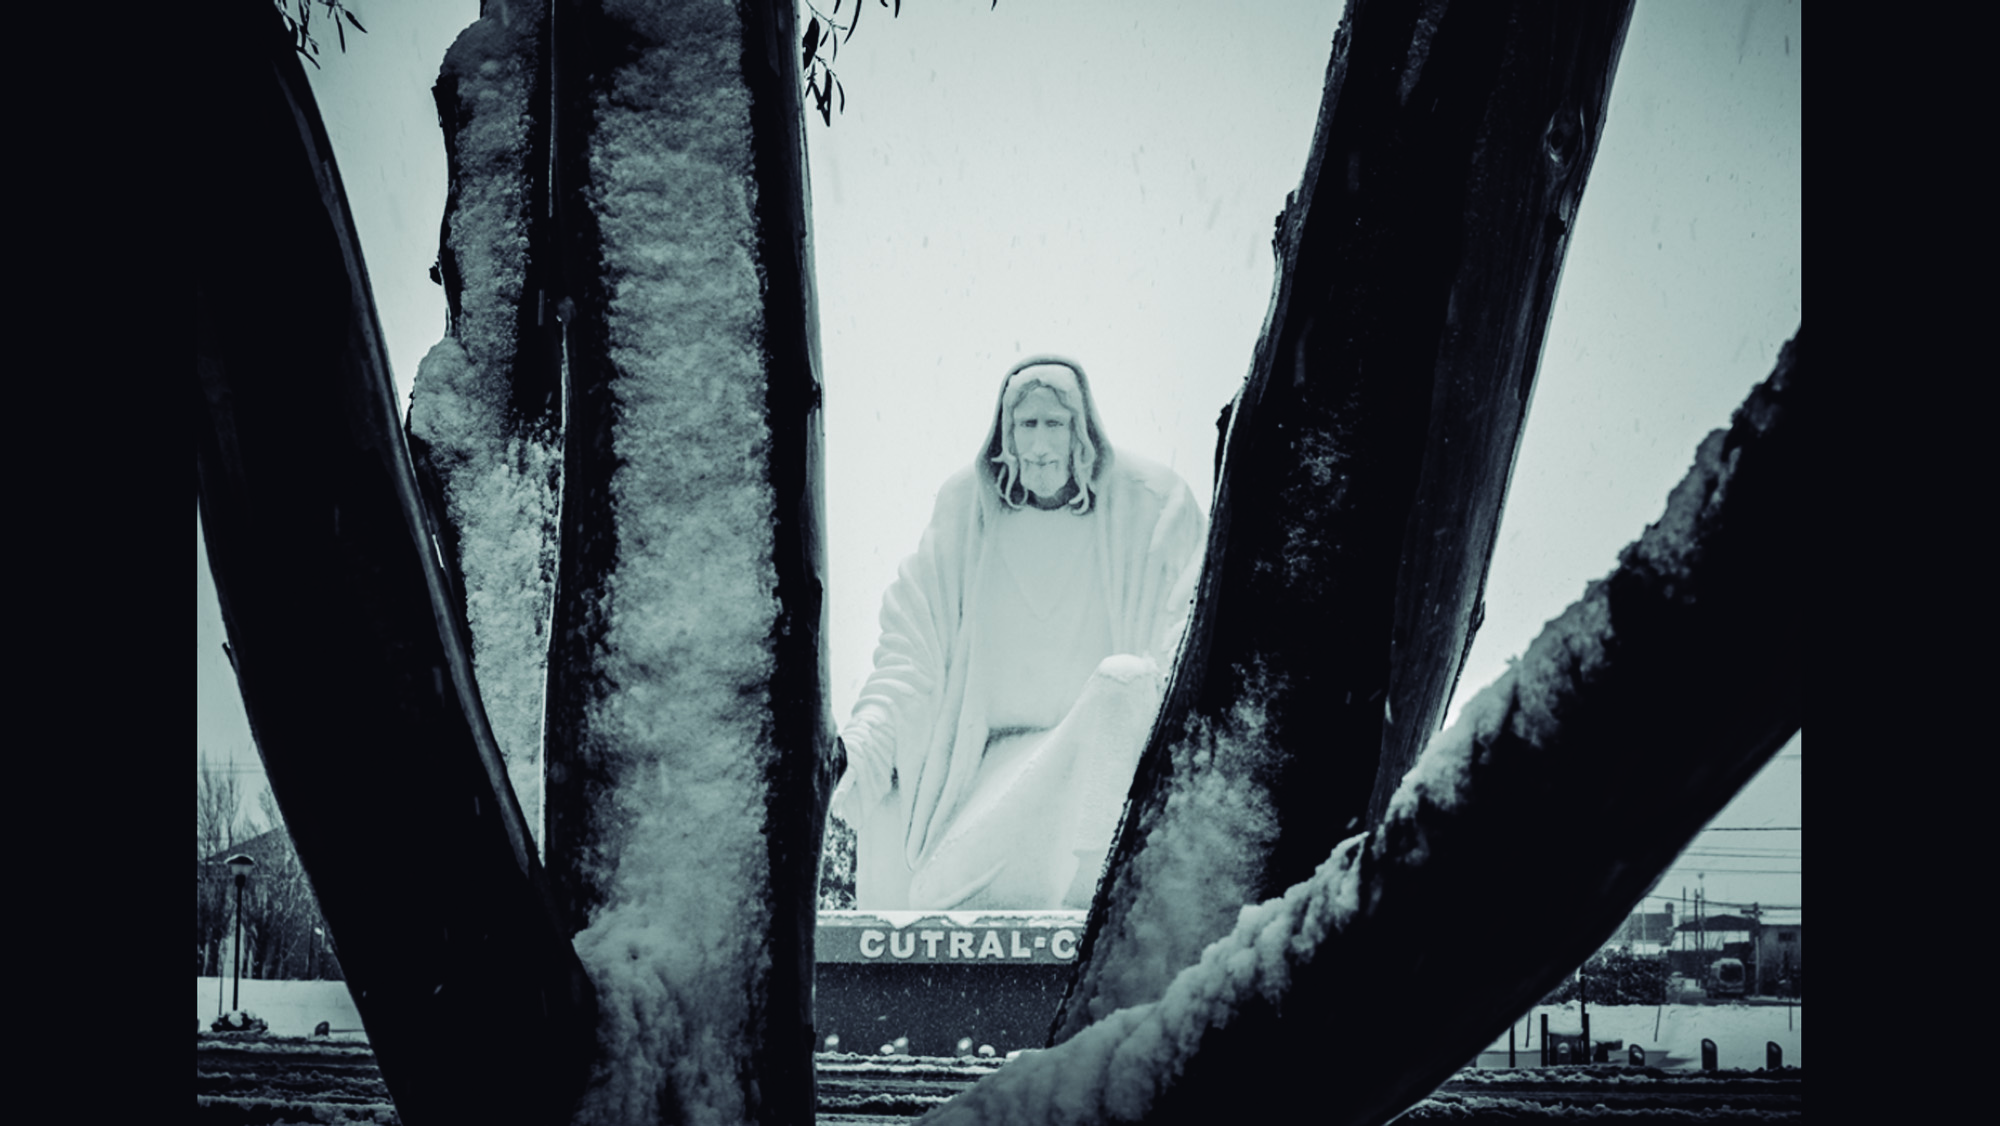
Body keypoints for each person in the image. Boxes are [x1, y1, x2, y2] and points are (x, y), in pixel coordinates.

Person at [832, 357, 1207, 910]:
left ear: (1083, 430)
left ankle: (1096, 905)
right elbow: (909, 661)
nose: (1039, 446)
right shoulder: (965, 517)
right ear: (1004, 435)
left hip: (1106, 786)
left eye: (1054, 424)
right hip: (988, 790)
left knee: (1124, 684)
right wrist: (856, 757)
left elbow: (1184, 652)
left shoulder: (1151, 506)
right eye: (1026, 425)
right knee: (946, 886)